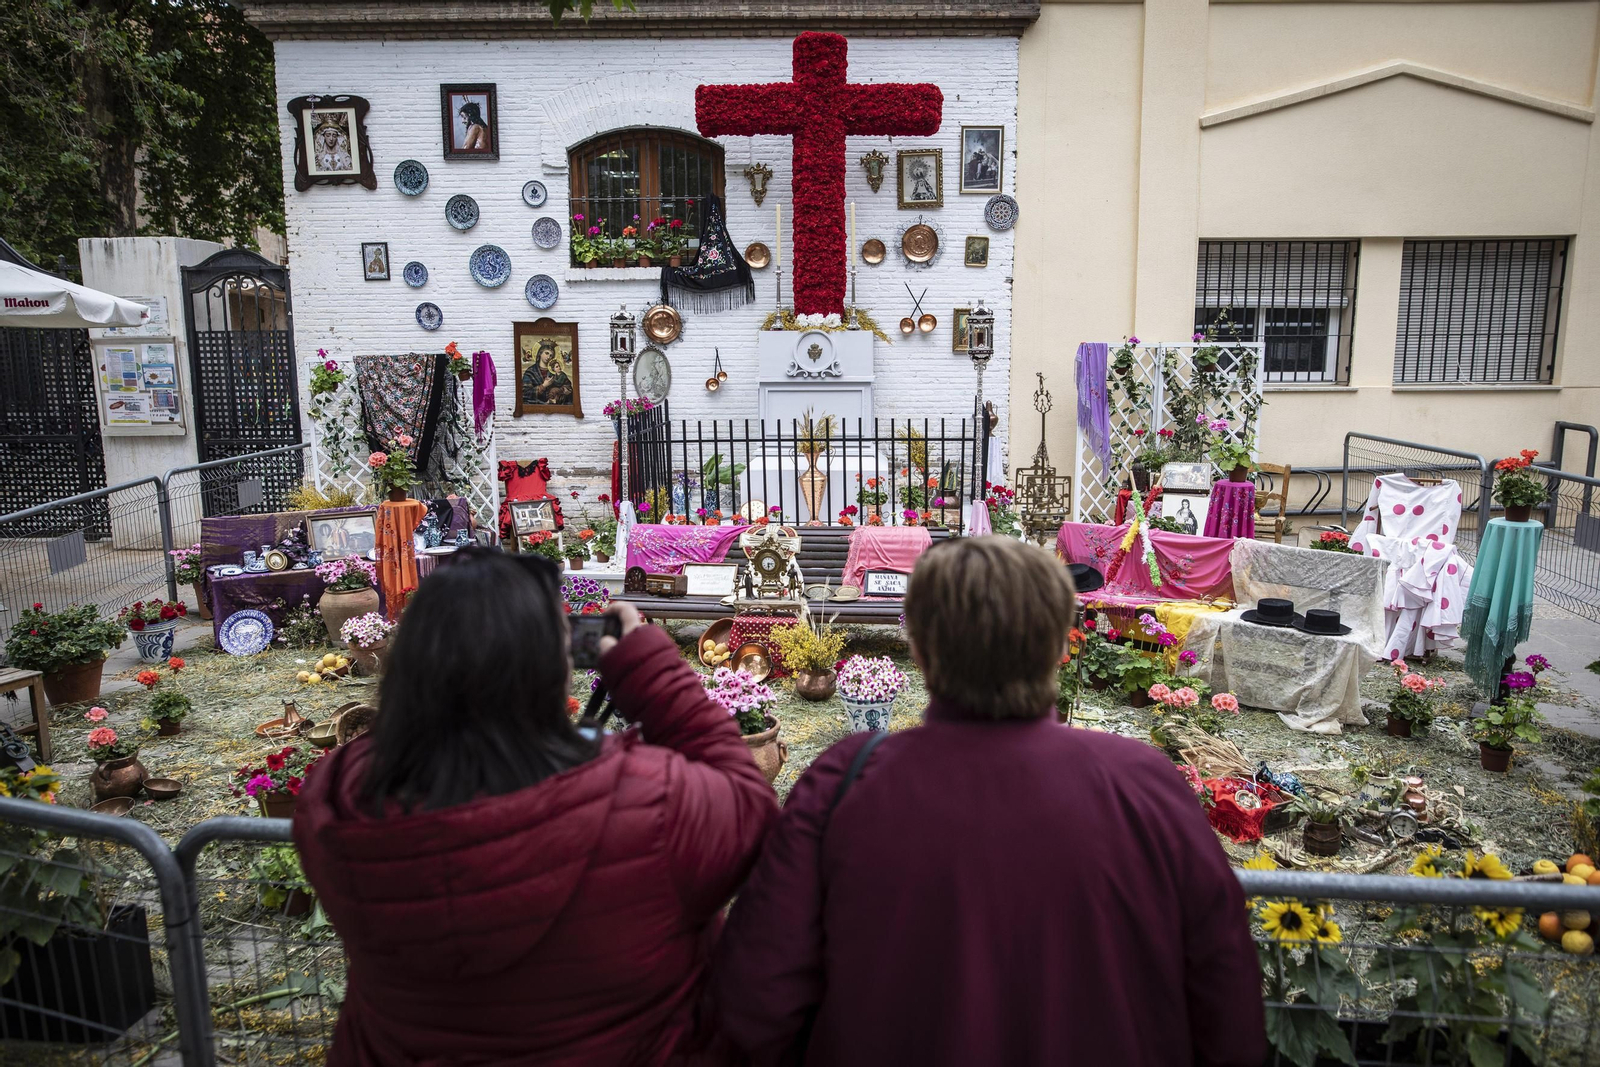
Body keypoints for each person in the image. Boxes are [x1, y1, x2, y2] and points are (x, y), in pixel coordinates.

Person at [713, 537, 1264, 1067]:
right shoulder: (1146, 785)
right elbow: (1227, 1008)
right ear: (1060, 645)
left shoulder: (844, 783)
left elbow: (757, 995)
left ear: (919, 648)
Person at [294, 550, 778, 1066]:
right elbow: (749, 804)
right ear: (552, 669)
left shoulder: (340, 800)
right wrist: (647, 666)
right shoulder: (646, 803)